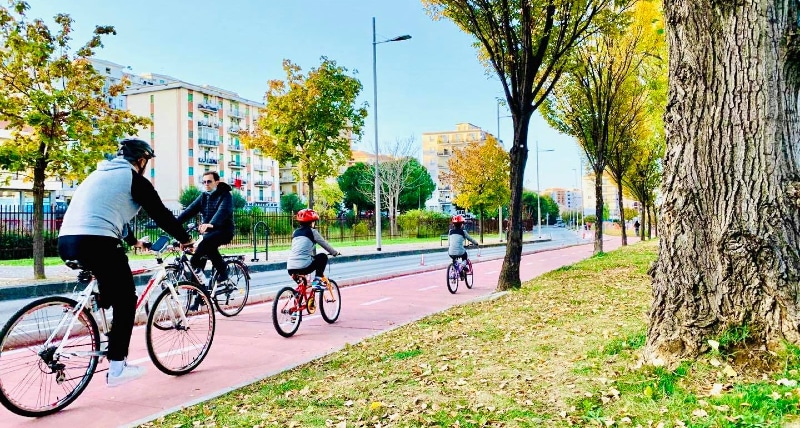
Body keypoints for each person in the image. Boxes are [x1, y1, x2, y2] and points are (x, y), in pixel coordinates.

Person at [58, 138, 194, 387]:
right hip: (97, 241)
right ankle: (118, 367)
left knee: (112, 286)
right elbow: (161, 214)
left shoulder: (99, 175)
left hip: (66, 241)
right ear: (141, 161)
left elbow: (110, 214)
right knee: (126, 299)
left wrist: (133, 242)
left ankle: (103, 310)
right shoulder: (134, 180)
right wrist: (185, 240)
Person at [176, 171, 234, 286]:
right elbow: (188, 211)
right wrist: (172, 224)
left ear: (217, 182)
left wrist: (212, 224)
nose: (206, 184)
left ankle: (224, 272)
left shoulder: (225, 195)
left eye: (209, 181)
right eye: (204, 182)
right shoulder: (203, 196)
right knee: (200, 260)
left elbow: (223, 210)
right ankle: (199, 297)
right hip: (208, 233)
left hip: (224, 231)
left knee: (196, 257)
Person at [286, 208, 341, 291]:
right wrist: (334, 252)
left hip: (290, 267)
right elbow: (325, 244)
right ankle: (317, 282)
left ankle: (297, 298)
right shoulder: (313, 232)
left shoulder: (295, 232)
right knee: (323, 256)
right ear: (312, 222)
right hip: (303, 266)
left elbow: (300, 248)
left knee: (302, 287)